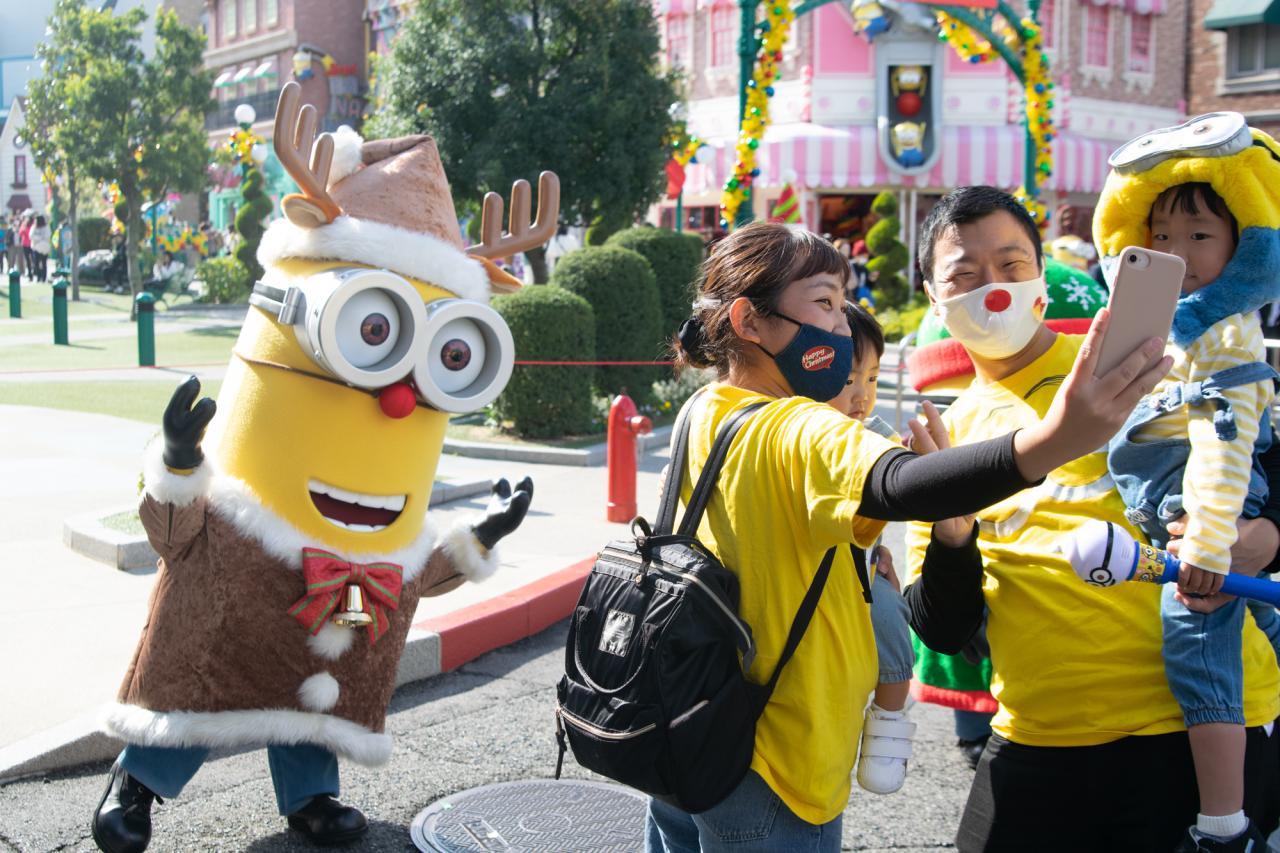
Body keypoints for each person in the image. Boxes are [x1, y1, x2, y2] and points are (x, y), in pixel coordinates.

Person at [644, 220, 1167, 852]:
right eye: (825, 303)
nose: (843, 328)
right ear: (749, 321)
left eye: (843, 304)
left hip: (687, 735)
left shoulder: (706, 409)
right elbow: (903, 483)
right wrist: (1056, 438)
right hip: (772, 762)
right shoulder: (800, 427)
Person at [903, 185, 1280, 852]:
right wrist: (951, 534)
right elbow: (944, 627)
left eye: (1011, 264)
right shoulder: (946, 437)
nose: (993, 288)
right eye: (964, 274)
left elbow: (1251, 450)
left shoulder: (1134, 360)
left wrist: (1266, 535)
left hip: (1196, 725)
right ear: (934, 297)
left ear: (1041, 277)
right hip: (1038, 736)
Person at [1093, 117, 1280, 851]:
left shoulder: (1223, 336)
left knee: (1196, 653)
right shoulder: (1171, 330)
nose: (1178, 252)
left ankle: (1224, 827)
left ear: (1245, 246)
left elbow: (1222, 447)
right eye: (1161, 236)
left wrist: (1206, 539)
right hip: (1180, 514)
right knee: (1261, 631)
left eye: (1200, 235)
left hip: (1202, 522)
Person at [829, 301, 919, 795]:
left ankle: (888, 718)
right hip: (820, 577)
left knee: (889, 613)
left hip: (863, 574)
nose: (861, 394)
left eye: (872, 378)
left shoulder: (875, 435)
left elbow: (902, 488)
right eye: (847, 380)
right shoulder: (806, 435)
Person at [29, 215, 51, 283]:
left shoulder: (46, 227)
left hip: (44, 248)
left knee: (44, 263)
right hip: (35, 248)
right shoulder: (34, 227)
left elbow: (47, 236)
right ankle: (38, 277)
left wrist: (38, 238)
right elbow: (31, 236)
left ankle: (44, 278)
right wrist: (40, 238)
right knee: (36, 263)